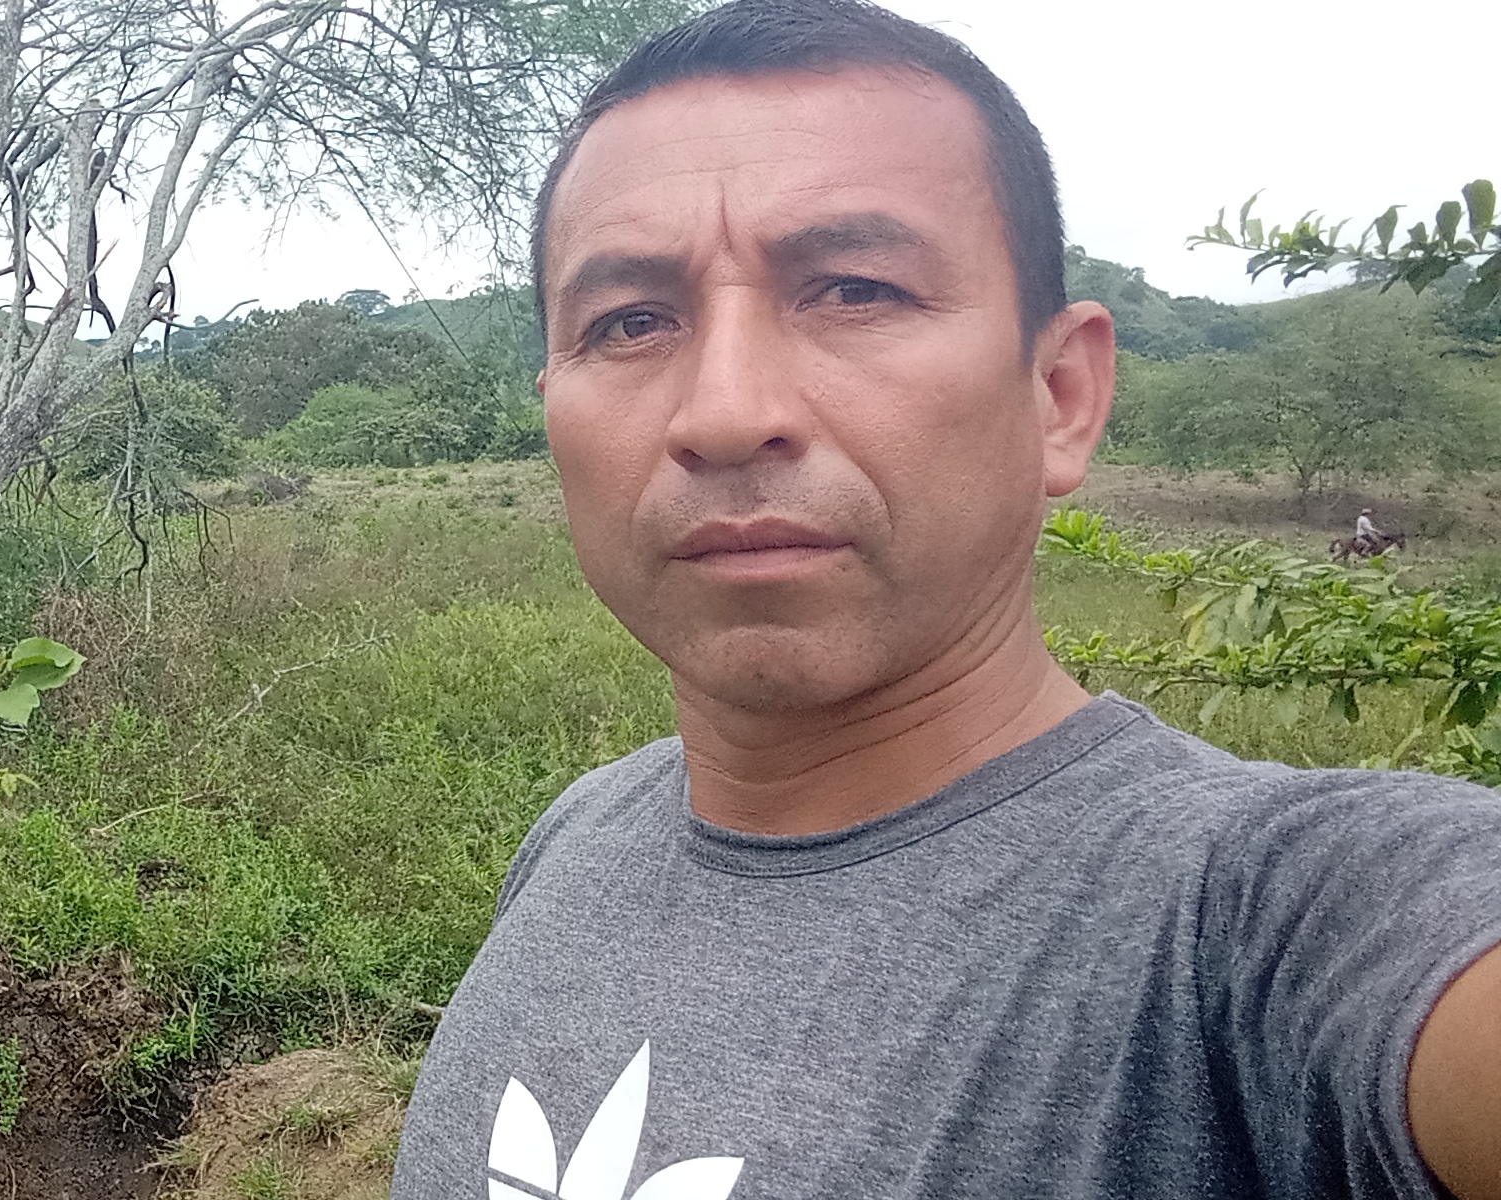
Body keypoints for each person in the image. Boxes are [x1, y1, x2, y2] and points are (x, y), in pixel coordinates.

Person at [391, 3, 1501, 1198]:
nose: (723, 412)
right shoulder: (583, 833)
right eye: (630, 322)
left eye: (854, 290)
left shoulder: (1264, 922)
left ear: (1060, 395)